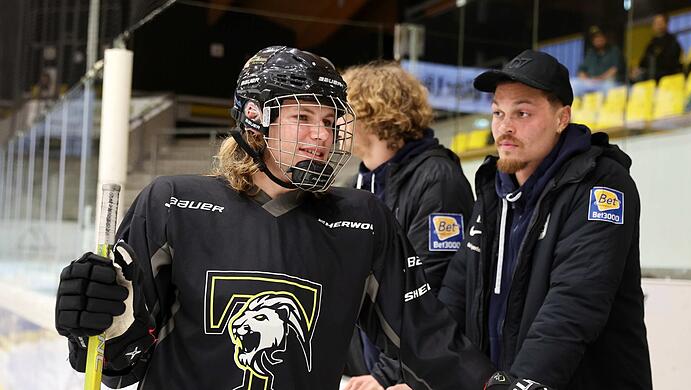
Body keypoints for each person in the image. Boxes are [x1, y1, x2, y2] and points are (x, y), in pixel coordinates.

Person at [53, 46, 504, 390]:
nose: (320, 135)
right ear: (255, 122)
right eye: (304, 117)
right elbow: (117, 363)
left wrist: (495, 385)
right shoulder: (172, 205)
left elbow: (427, 339)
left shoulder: (364, 221)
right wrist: (95, 319)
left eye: (330, 121)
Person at [439, 49, 652, 389]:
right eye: (497, 112)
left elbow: (573, 307)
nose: (504, 128)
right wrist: (420, 375)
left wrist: (521, 384)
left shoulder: (602, 185)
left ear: (561, 118)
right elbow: (455, 295)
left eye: (522, 113)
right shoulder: (495, 190)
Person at [340, 62, 475, 390]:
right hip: (372, 369)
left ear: (368, 111)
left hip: (412, 378)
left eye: (342, 112)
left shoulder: (438, 179)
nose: (336, 125)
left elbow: (431, 289)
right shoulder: (364, 181)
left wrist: (390, 375)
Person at [632, 13, 682, 81]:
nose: (658, 25)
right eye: (656, 23)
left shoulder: (672, 41)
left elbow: (671, 63)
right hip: (650, 76)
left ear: (666, 24)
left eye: (660, 22)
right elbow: (643, 62)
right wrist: (638, 70)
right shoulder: (651, 44)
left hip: (666, 75)